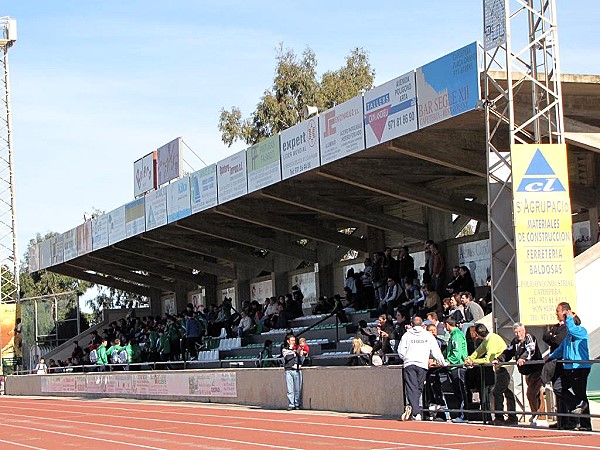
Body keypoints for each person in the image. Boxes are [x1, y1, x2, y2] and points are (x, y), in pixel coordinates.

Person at [546, 303, 592, 431]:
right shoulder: (568, 335)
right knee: (558, 387)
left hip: (579, 368)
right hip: (569, 368)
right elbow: (561, 348)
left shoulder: (580, 331)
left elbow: (571, 329)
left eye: (559, 312)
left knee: (580, 394)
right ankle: (576, 405)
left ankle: (585, 425)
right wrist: (550, 357)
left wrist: (569, 317)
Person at [495, 322, 546, 427]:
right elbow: (508, 352)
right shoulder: (515, 342)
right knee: (534, 394)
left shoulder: (529, 337)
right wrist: (499, 359)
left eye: (519, 331)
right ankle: (536, 414)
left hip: (537, 370)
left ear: (524, 330)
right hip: (527, 372)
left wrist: (523, 358)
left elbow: (531, 350)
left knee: (532, 393)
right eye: (516, 332)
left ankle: (540, 416)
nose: (518, 334)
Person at [465, 324, 517, 426]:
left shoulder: (491, 341)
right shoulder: (487, 339)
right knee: (506, 391)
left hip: (505, 367)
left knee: (498, 391)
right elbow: (478, 351)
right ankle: (511, 416)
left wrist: (473, 361)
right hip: (500, 367)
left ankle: (500, 417)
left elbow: (487, 359)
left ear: (478, 334)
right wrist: (470, 358)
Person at [398, 316, 446, 421]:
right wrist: (443, 363)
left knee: (412, 388)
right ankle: (416, 411)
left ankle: (413, 408)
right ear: (422, 324)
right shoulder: (428, 335)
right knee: (418, 387)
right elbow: (436, 351)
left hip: (410, 364)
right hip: (422, 365)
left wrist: (406, 358)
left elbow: (401, 351)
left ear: (412, 324)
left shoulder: (407, 335)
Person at [444, 318, 469, 423]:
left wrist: (448, 361)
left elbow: (457, 353)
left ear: (447, 325)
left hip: (458, 366)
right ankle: (460, 414)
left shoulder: (457, 335)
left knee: (460, 391)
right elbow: (448, 350)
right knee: (457, 391)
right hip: (454, 366)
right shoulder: (453, 335)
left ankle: (464, 415)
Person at [282, 333, 304, 410]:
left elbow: (301, 357)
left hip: (297, 370)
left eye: (294, 340)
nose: (293, 342)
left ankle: (297, 403)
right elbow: (287, 357)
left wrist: (302, 353)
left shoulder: (297, 348)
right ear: (288, 341)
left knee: (297, 388)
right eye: (292, 340)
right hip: (288, 370)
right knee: (290, 389)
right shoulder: (285, 349)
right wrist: (295, 353)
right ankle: (291, 404)